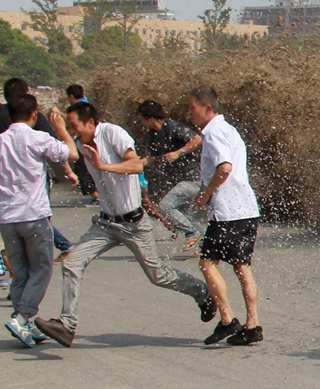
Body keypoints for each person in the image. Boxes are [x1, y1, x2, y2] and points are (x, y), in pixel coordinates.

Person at [33, 101, 215, 348]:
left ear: (90, 123)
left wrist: (102, 166)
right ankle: (67, 325)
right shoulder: (79, 144)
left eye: (74, 125)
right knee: (73, 262)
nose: (73, 130)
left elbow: (136, 164)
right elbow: (70, 152)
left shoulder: (113, 133)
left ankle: (202, 292)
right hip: (106, 224)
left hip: (134, 224)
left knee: (158, 275)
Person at [0, 95, 79, 347]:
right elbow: (72, 154)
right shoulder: (38, 138)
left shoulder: (1, 141)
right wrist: (61, 129)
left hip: (7, 217)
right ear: (34, 114)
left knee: (21, 270)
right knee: (43, 268)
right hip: (33, 214)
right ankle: (23, 317)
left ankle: (22, 319)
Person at [188, 85, 263, 346]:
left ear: (208, 108)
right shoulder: (229, 129)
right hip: (246, 208)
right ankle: (253, 325)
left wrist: (206, 193)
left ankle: (228, 319)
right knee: (243, 268)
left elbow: (224, 167)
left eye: (192, 108)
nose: (190, 113)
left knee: (207, 263)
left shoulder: (214, 133)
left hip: (228, 211)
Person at [0, 78, 75, 263]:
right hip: (33, 188)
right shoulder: (36, 121)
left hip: (7, 196)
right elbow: (59, 151)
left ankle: (17, 279)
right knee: (38, 219)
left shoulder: (3, 118)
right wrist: (67, 170)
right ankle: (63, 245)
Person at [136, 100, 204, 253]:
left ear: (150, 118)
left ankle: (192, 233)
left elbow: (197, 139)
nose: (140, 122)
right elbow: (150, 158)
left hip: (191, 178)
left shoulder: (173, 127)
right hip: (177, 181)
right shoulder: (151, 135)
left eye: (141, 118)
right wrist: (135, 164)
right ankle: (206, 247)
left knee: (165, 207)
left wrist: (178, 152)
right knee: (185, 215)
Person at [65, 84, 99, 205]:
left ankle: (97, 196)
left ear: (71, 96)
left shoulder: (78, 108)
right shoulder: (86, 105)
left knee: (82, 170)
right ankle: (98, 195)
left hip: (81, 143)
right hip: (84, 142)